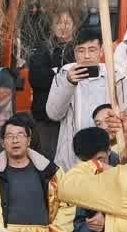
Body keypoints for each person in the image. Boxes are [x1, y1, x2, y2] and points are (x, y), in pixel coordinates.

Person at [0, 115, 62, 232]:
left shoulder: (50, 171)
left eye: (20, 135)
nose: (15, 140)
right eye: (10, 136)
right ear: (2, 142)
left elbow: (67, 204)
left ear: (29, 140)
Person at [45, 30, 113, 172]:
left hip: (107, 151)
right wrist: (69, 83)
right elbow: (53, 114)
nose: (86, 56)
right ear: (75, 54)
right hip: (73, 155)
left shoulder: (113, 74)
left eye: (92, 50)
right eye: (81, 51)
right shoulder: (65, 74)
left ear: (101, 51)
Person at [27, 9, 79, 161]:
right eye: (58, 23)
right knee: (47, 161)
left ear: (74, 26)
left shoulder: (80, 50)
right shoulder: (42, 50)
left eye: (67, 22)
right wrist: (66, 76)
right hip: (46, 119)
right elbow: (37, 78)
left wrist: (56, 73)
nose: (63, 27)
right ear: (52, 26)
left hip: (74, 116)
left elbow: (83, 77)